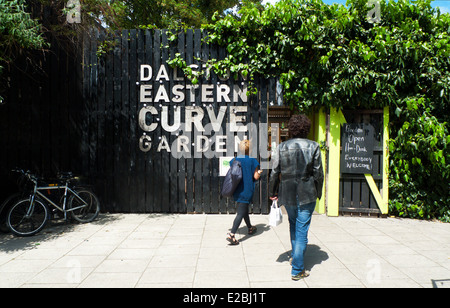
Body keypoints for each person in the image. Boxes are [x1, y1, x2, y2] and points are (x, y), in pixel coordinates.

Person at [268, 114, 324, 280]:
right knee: (302, 230)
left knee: (293, 225)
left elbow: (274, 172)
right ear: (307, 128)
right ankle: (297, 269)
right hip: (307, 193)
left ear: (291, 128)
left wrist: (273, 192)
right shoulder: (313, 146)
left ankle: (295, 257)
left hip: (288, 193)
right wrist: (318, 192)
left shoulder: (282, 147)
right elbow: (318, 174)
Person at [226, 139, 262, 245]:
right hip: (247, 190)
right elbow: (255, 177)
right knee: (241, 212)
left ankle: (250, 228)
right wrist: (259, 172)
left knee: (244, 208)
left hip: (237, 189)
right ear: (249, 149)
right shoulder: (253, 161)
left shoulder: (234, 159)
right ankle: (232, 234)